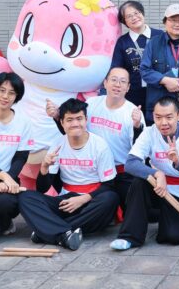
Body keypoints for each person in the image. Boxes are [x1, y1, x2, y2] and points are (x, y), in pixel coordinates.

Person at [110, 96, 179, 250]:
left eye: (169, 117)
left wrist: (178, 162)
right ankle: (129, 237)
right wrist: (158, 174)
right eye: (158, 117)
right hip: (158, 186)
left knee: (172, 237)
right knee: (139, 182)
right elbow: (130, 163)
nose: (163, 123)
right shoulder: (149, 133)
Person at [19, 99, 119, 250]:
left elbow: (109, 185)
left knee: (111, 198)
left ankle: (47, 231)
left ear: (86, 120)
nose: (75, 124)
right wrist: (44, 168)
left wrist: (83, 199)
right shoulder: (58, 144)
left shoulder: (100, 145)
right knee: (26, 197)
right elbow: (42, 189)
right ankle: (63, 234)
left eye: (79, 118)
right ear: (62, 123)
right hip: (65, 201)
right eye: (70, 120)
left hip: (91, 200)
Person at [46, 67, 143, 213]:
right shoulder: (91, 104)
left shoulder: (134, 113)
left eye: (123, 81)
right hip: (89, 169)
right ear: (105, 83)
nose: (117, 84)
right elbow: (73, 131)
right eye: (114, 80)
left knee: (127, 208)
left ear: (128, 87)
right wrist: (56, 116)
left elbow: (140, 151)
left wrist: (137, 127)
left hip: (120, 173)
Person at [0, 73, 30, 244]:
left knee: (5, 203)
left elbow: (21, 157)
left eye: (11, 93)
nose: (5, 96)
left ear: (17, 96)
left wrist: (7, 179)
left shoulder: (24, 122)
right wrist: (3, 176)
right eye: (2, 90)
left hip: (7, 181)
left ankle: (4, 220)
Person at [110, 0, 162, 110]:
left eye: (136, 13)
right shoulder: (123, 42)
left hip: (160, 91)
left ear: (142, 13)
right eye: (129, 16)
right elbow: (117, 68)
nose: (134, 17)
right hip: (134, 94)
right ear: (124, 21)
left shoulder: (160, 36)